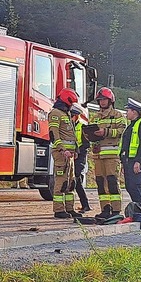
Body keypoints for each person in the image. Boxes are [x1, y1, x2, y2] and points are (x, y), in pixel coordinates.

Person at [88, 87, 127, 218]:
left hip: (112, 156)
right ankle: (105, 209)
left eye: (104, 99)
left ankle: (116, 210)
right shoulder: (95, 117)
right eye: (100, 100)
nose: (102, 102)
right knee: (100, 182)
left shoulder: (118, 115)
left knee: (112, 181)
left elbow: (122, 131)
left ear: (110, 100)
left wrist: (106, 132)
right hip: (98, 156)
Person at [48, 88, 81, 218]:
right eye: (71, 103)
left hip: (70, 154)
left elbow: (71, 134)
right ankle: (59, 210)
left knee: (70, 182)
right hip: (61, 154)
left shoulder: (65, 113)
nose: (71, 106)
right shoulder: (56, 113)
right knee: (61, 182)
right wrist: (62, 149)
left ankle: (69, 208)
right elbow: (53, 134)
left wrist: (76, 150)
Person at [120, 98, 141, 214]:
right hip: (129, 160)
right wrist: (123, 162)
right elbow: (125, 145)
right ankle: (138, 209)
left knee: (135, 185)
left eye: (128, 111)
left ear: (134, 112)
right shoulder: (131, 126)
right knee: (130, 186)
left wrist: (138, 161)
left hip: (138, 160)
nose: (126, 113)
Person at [69, 104, 92, 214]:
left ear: (77, 116)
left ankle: (85, 204)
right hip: (71, 156)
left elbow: (86, 145)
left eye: (73, 115)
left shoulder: (82, 127)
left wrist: (77, 152)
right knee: (74, 182)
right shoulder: (69, 126)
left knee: (76, 179)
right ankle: (83, 205)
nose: (71, 117)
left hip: (80, 157)